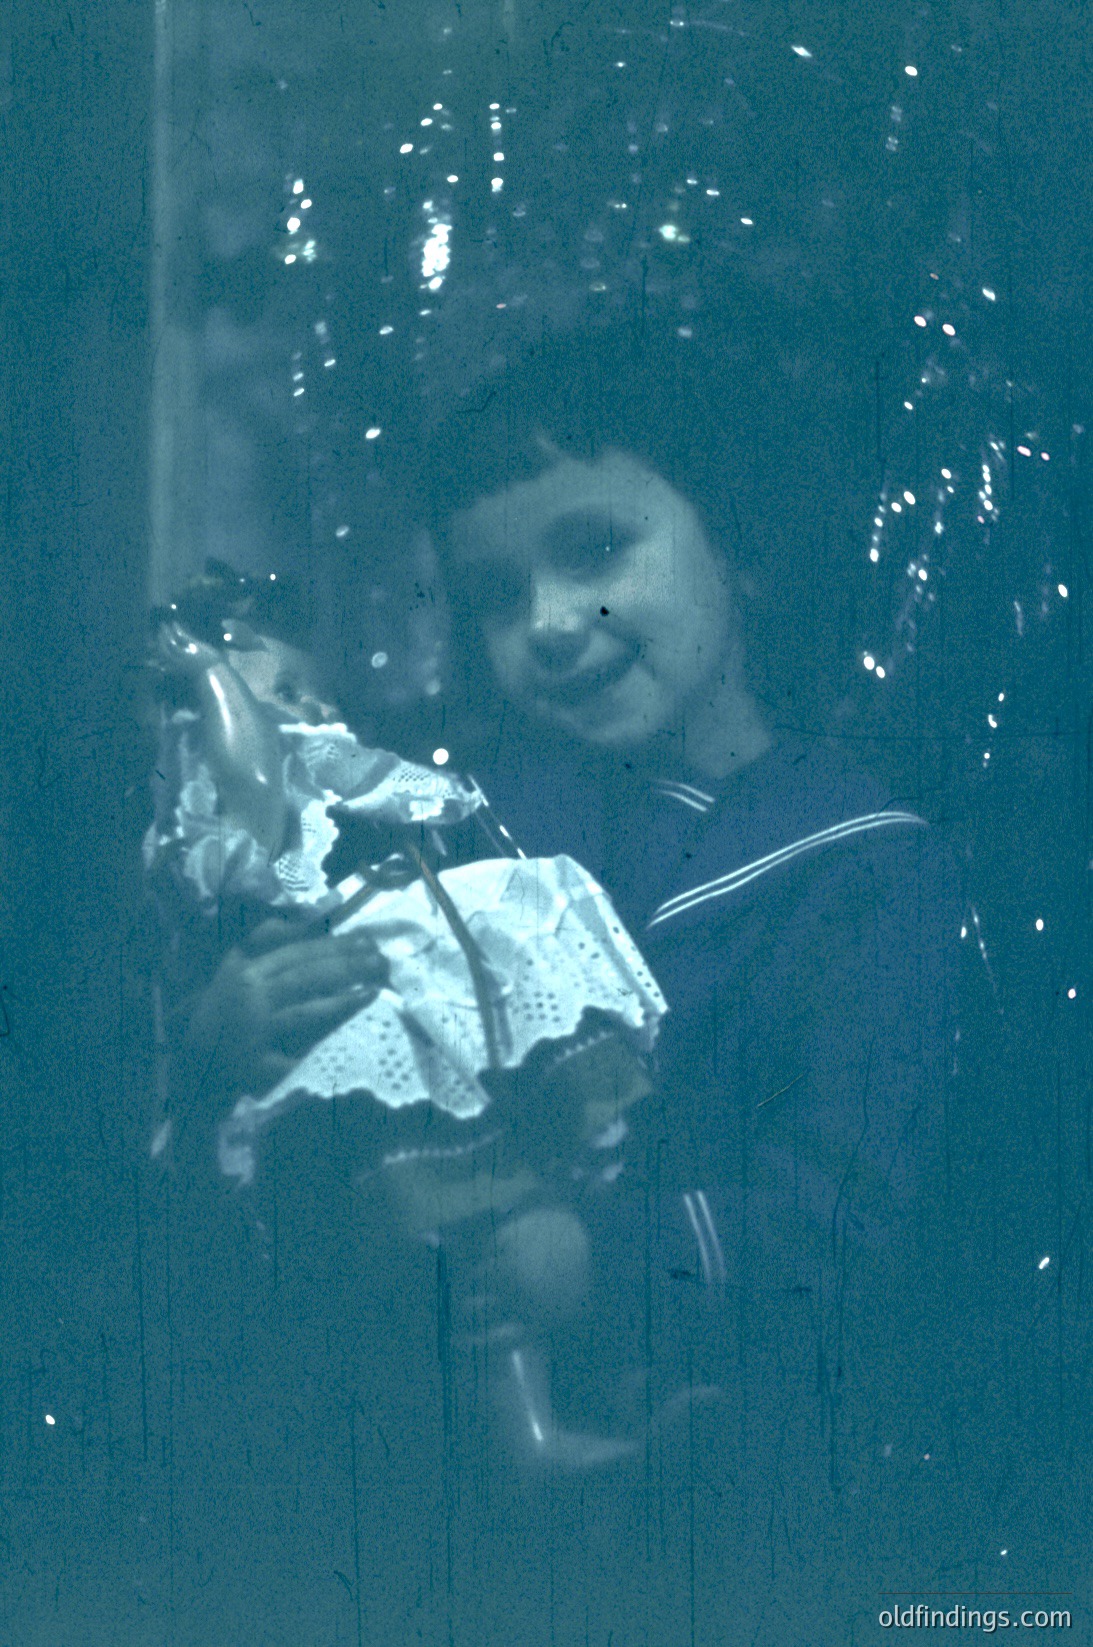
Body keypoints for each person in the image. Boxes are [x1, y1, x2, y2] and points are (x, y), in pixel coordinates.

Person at [182, 332, 964, 1639]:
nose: (545, 624)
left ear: (739, 545)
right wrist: (240, 1036)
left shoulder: (865, 872)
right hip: (441, 1530)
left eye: (595, 552)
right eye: (493, 593)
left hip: (744, 1533)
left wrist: (598, 1261)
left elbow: (858, 1223)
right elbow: (341, 1136)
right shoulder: (465, 838)